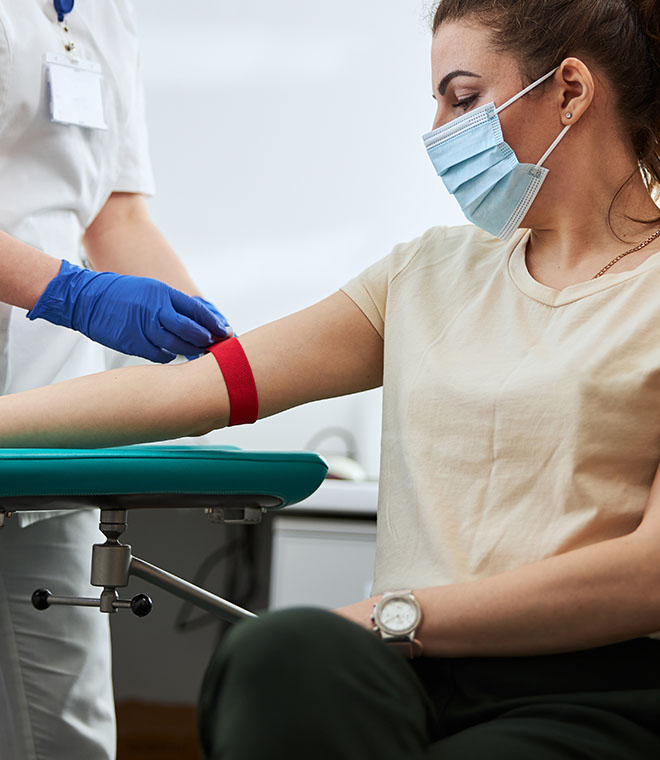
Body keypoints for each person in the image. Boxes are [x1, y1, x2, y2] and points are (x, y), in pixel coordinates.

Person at [2, 0, 660, 756]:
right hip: (409, 678)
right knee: (276, 656)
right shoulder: (429, 274)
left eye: (465, 97)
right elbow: (189, 392)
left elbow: (650, 574)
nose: (441, 131)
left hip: (589, 688)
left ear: (571, 90)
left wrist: (392, 615)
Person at [0, 2, 231, 759]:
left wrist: (226, 358)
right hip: (52, 331)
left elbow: (116, 214)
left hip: (51, 415)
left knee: (64, 727)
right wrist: (72, 292)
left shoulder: (106, 14)